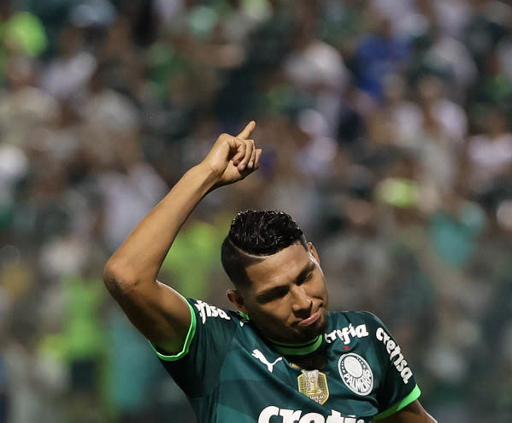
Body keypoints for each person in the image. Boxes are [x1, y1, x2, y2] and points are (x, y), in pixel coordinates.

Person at [104, 121, 436, 423]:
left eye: (305, 277)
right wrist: (206, 174)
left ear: (315, 256)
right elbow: (126, 277)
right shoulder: (217, 344)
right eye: (276, 294)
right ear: (240, 302)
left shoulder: (365, 337)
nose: (303, 302)